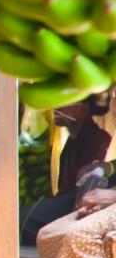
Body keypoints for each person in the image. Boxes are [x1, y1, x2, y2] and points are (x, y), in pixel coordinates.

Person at [22, 93, 113, 244]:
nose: (56, 109)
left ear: (83, 109)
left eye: (65, 104)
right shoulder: (72, 142)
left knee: (26, 221)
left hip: (83, 205)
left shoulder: (98, 139)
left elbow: (84, 193)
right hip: (71, 202)